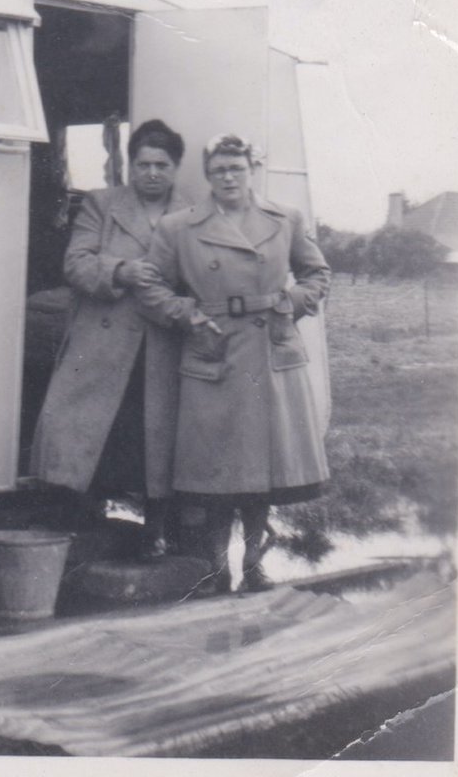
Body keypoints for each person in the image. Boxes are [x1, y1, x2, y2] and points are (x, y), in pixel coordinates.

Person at [136, 132, 331, 593]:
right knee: (219, 472)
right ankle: (216, 567)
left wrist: (292, 303)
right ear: (207, 175)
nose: (228, 177)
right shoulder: (178, 227)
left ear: (251, 172)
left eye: (236, 168)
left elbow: (317, 272)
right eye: (219, 169)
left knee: (264, 473)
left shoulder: (284, 219)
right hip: (214, 351)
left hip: (270, 351)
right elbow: (150, 287)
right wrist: (189, 316)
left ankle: (256, 565)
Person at [30, 119, 188, 557]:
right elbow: (76, 264)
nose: (152, 173)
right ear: (130, 166)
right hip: (103, 341)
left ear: (176, 168)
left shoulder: (194, 214)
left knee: (153, 436)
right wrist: (121, 270)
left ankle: (155, 530)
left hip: (161, 344)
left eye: (161, 164)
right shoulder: (102, 205)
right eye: (143, 164)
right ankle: (83, 524)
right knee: (90, 431)